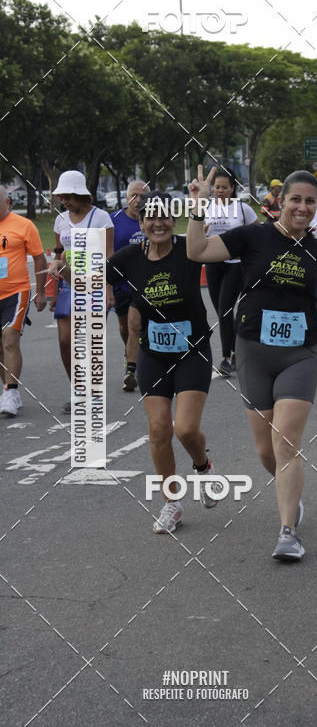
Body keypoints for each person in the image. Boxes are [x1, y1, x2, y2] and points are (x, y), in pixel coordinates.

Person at [186, 167, 317, 561]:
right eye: (296, 199)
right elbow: (197, 251)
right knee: (266, 450)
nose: (303, 207)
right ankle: (290, 497)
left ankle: (288, 532)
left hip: (300, 352)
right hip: (253, 352)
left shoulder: (316, 250)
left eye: (311, 201)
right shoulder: (254, 236)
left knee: (286, 442)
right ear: (281, 202)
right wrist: (196, 210)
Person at [106, 192, 217, 533]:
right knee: (158, 429)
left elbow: (225, 248)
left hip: (191, 352)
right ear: (141, 224)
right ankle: (172, 503)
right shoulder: (130, 258)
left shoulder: (190, 249)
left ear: (174, 220)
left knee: (184, 428)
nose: (158, 223)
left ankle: (203, 465)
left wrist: (200, 209)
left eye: (165, 217)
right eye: (150, 218)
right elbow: (92, 276)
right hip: (152, 354)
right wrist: (64, 268)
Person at [52, 170, 114, 414]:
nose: (65, 201)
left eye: (69, 196)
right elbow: (58, 255)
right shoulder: (60, 220)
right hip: (68, 285)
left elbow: (109, 257)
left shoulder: (101, 218)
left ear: (81, 194)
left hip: (95, 285)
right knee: (66, 342)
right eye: (62, 197)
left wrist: (108, 289)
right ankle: (78, 389)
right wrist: (53, 292)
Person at [204, 168, 258, 376]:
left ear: (232, 188)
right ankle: (238, 352)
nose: (220, 191)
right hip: (212, 263)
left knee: (226, 309)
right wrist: (203, 230)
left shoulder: (243, 209)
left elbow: (257, 232)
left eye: (224, 187)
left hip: (235, 265)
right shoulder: (207, 207)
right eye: (217, 187)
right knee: (221, 311)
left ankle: (227, 358)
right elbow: (197, 233)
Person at [0, 187, 47, 417]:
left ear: (7, 201)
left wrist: (41, 292)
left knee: (9, 338)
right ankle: (9, 390)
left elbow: (39, 258)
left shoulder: (24, 225)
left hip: (16, 292)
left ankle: (10, 389)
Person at [110, 181, 147, 391]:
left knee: (137, 324)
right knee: (125, 327)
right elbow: (107, 253)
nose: (137, 200)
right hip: (121, 284)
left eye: (142, 196)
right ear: (126, 197)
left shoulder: (151, 219)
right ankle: (129, 353)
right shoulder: (113, 220)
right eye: (134, 195)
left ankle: (134, 366)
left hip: (144, 283)